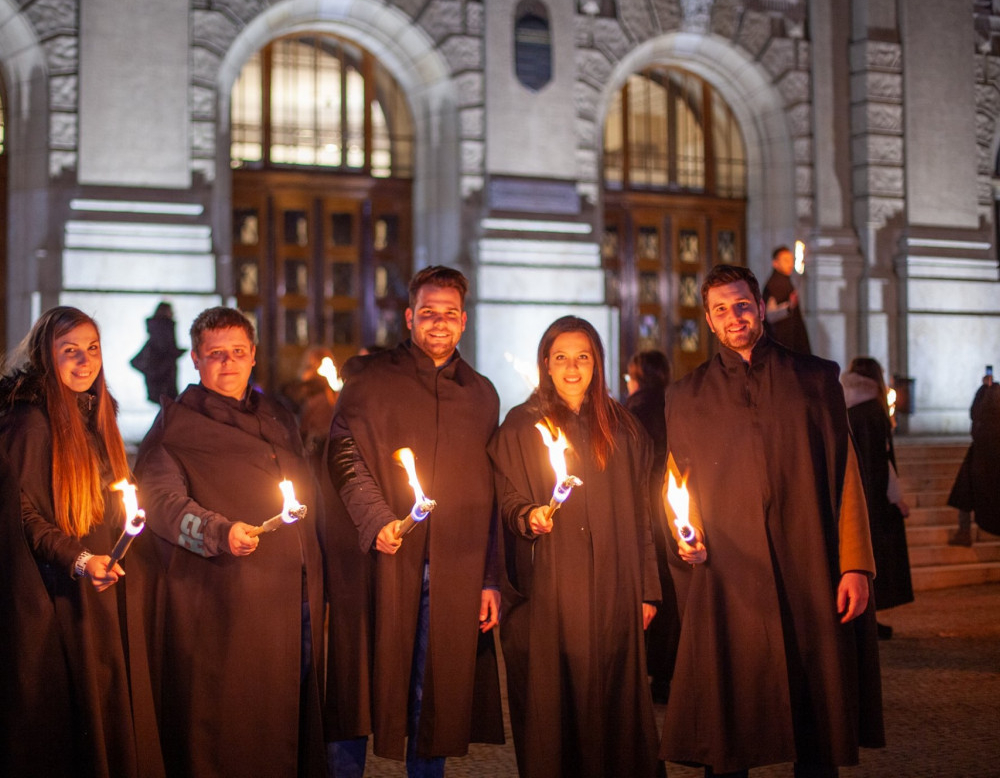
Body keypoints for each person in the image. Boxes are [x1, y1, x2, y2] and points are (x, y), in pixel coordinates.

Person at [661, 265, 884, 777]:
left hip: (809, 568)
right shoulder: (686, 396)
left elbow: (846, 472)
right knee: (729, 721)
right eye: (721, 309)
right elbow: (677, 489)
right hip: (730, 581)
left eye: (742, 305)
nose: (733, 317)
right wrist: (684, 537)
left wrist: (855, 564)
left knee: (817, 722)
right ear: (710, 321)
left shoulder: (815, 378)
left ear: (761, 308)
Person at [324, 265, 504, 777]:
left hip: (455, 568)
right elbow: (343, 452)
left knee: (436, 696)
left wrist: (489, 577)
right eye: (428, 312)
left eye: (449, 314)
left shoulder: (482, 394)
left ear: (464, 321)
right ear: (409, 317)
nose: (439, 322)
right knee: (358, 688)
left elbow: (493, 492)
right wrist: (375, 517)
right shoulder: (369, 378)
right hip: (382, 559)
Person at [0, 306, 163, 778]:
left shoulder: (98, 416)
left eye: (92, 349)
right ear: (45, 356)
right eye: (70, 351)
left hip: (99, 586)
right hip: (56, 595)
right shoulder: (28, 425)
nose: (85, 361)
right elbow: (24, 516)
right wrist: (79, 560)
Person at [134, 307, 326, 777]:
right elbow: (159, 500)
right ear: (196, 359)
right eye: (216, 354)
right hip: (228, 600)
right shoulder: (175, 424)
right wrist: (219, 531)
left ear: (254, 356)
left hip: (295, 597)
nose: (229, 363)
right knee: (232, 727)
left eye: (238, 352)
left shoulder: (278, 415)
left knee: (290, 719)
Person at [489, 316, 661, 777]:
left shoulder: (624, 427)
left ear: (597, 363)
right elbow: (506, 499)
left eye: (582, 357)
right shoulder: (523, 426)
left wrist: (646, 588)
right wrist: (529, 516)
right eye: (561, 357)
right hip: (552, 589)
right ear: (545, 363)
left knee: (616, 703)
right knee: (555, 707)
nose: (571, 368)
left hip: (615, 588)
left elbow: (643, 511)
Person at [624, 349, 682, 703]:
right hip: (671, 510)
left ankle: (647, 672)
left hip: (643, 509)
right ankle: (666, 674)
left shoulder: (633, 410)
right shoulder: (675, 404)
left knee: (646, 591)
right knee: (669, 593)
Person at [841, 357, 914, 639]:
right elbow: (881, 460)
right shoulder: (872, 410)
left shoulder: (845, 406)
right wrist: (896, 497)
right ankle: (867, 617)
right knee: (874, 559)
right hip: (873, 497)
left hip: (851, 495)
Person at [947, 346, 1000, 544]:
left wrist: (983, 391)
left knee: (967, 481)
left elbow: (978, 416)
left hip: (995, 456)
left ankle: (964, 531)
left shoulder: (998, 392)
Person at [130, 301, 186, 403]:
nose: (173, 313)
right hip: (163, 383)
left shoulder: (158, 331)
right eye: (170, 311)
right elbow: (165, 352)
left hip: (162, 382)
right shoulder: (164, 328)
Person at [763, 246, 812, 354]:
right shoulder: (774, 283)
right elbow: (770, 315)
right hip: (781, 341)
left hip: (790, 338)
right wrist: (789, 306)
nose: (790, 264)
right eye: (785, 260)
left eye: (791, 260)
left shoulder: (786, 280)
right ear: (775, 263)